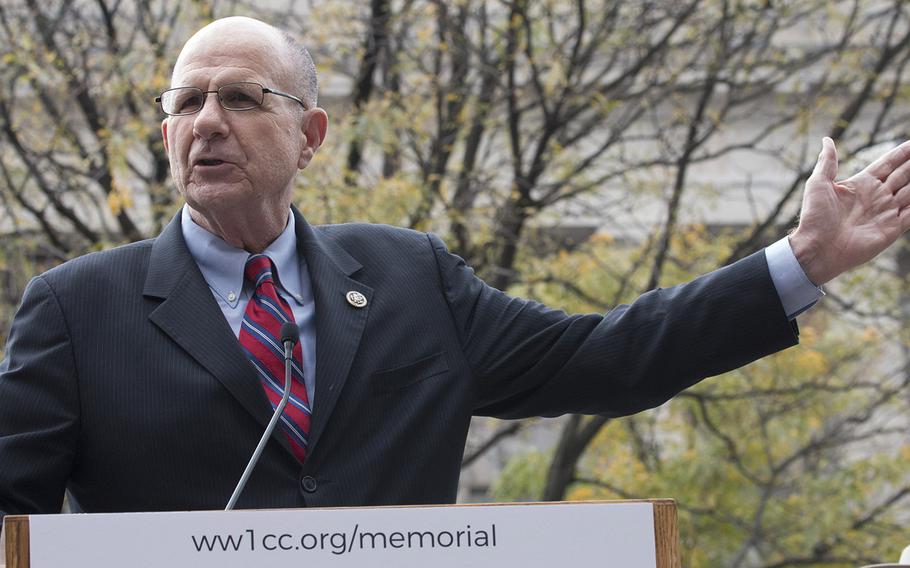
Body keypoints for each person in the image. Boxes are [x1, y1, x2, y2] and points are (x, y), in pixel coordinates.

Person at [2, 16, 910, 522]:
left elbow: (611, 358)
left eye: (241, 98)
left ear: (310, 136)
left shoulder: (409, 279)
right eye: (186, 102)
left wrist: (803, 261)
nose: (206, 122)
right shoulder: (78, 310)